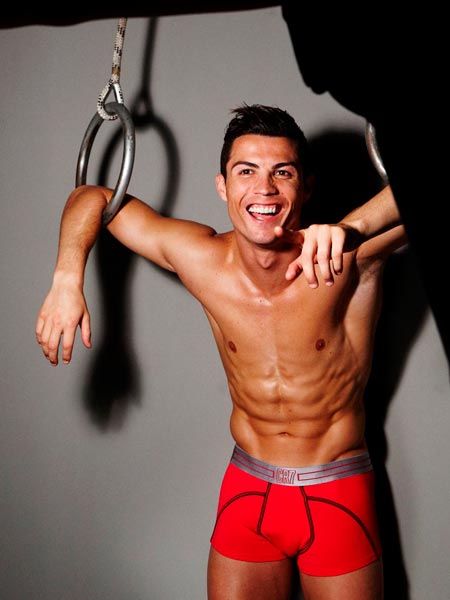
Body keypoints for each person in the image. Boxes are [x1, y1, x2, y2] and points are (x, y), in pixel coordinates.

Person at [36, 104, 406, 599]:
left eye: (282, 172)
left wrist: (352, 227)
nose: (264, 188)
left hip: (336, 491)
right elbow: (92, 197)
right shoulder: (202, 260)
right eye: (246, 171)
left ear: (306, 187)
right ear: (223, 186)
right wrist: (66, 279)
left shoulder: (351, 259)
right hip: (248, 492)